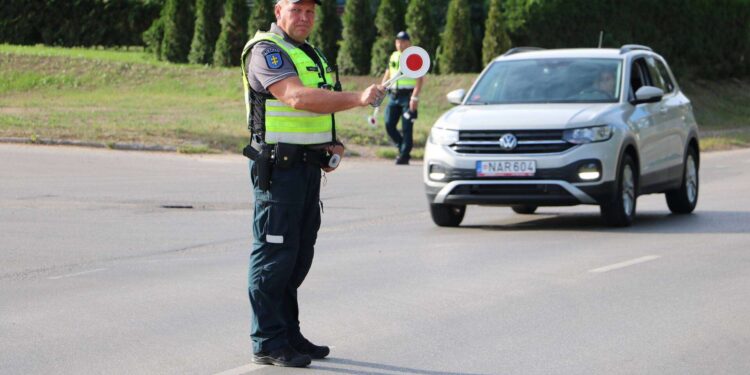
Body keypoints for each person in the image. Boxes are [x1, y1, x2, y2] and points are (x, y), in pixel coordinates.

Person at [240, 0, 385, 368]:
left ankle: (289, 333)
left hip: (306, 170)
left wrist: (329, 145)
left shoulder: (312, 54)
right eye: (296, 9)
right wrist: (357, 98)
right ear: (278, 12)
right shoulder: (266, 51)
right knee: (274, 259)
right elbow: (296, 97)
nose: (304, 17)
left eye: (309, 11)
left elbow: (319, 106)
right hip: (279, 171)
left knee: (297, 257)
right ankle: (268, 340)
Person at [380, 31, 424, 165]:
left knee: (407, 127)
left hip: (407, 96)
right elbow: (388, 72)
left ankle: (405, 155)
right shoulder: (393, 56)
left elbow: (420, 79)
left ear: (409, 43)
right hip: (393, 95)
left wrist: (414, 98)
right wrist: (382, 86)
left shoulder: (413, 56)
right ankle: (401, 146)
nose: (400, 44)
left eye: (403, 41)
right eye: (398, 41)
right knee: (389, 123)